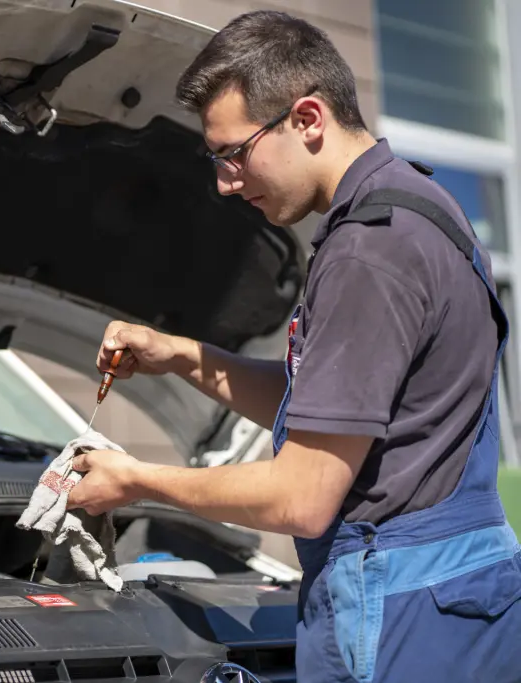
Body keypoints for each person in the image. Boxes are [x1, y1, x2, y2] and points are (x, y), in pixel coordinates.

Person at [65, 9, 521, 682]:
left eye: (233, 153)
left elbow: (302, 496)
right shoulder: (420, 205)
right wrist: (183, 355)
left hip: (400, 618)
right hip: (458, 604)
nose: (225, 181)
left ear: (307, 118)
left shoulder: (370, 250)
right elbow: (335, 408)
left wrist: (135, 480)